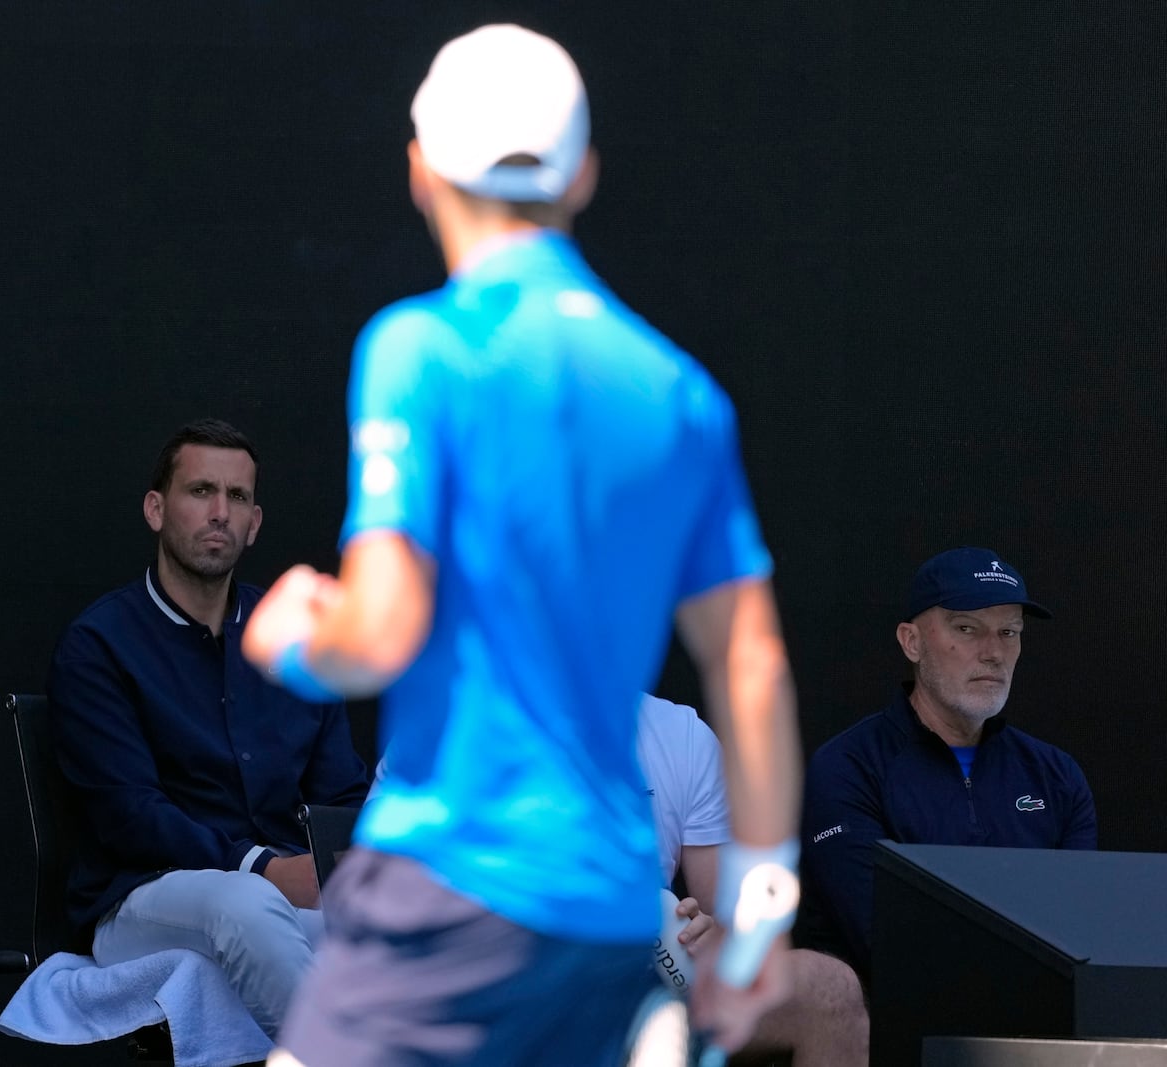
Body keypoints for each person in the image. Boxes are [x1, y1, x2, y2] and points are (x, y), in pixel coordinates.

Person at [242, 24, 804, 1066]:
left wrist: (291, 635)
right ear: (584, 174)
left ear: (419, 170)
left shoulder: (420, 348)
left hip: (445, 887)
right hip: (605, 917)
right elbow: (751, 663)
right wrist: (763, 904)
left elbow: (379, 631)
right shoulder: (681, 395)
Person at [46, 418, 368, 1039]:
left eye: (237, 497)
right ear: (156, 509)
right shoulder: (100, 644)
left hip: (285, 897)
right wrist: (261, 867)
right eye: (200, 492)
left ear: (254, 523)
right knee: (244, 902)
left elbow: (339, 796)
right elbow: (128, 815)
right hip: (143, 897)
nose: (219, 512)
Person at [799, 546, 1098, 983]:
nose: (994, 653)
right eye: (967, 628)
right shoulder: (850, 767)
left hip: (1043, 1026)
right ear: (912, 642)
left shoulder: (1057, 776)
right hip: (890, 1029)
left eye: (1009, 633)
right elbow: (885, 941)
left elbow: (1082, 933)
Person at [639, 695, 868, 1066]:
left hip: (656, 983)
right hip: (539, 977)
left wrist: (709, 935)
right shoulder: (511, 720)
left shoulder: (681, 734)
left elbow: (724, 922)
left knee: (830, 988)